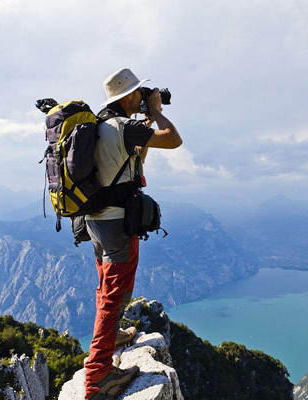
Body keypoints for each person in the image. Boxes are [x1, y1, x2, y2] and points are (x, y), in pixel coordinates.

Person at [83, 68, 182, 399]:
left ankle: (112, 339)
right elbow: (175, 139)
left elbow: (134, 161)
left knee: (106, 286)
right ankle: (98, 376)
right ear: (126, 96)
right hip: (116, 223)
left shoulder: (100, 125)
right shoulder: (124, 127)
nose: (142, 97)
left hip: (94, 222)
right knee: (115, 292)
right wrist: (155, 112)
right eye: (138, 93)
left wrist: (145, 124)